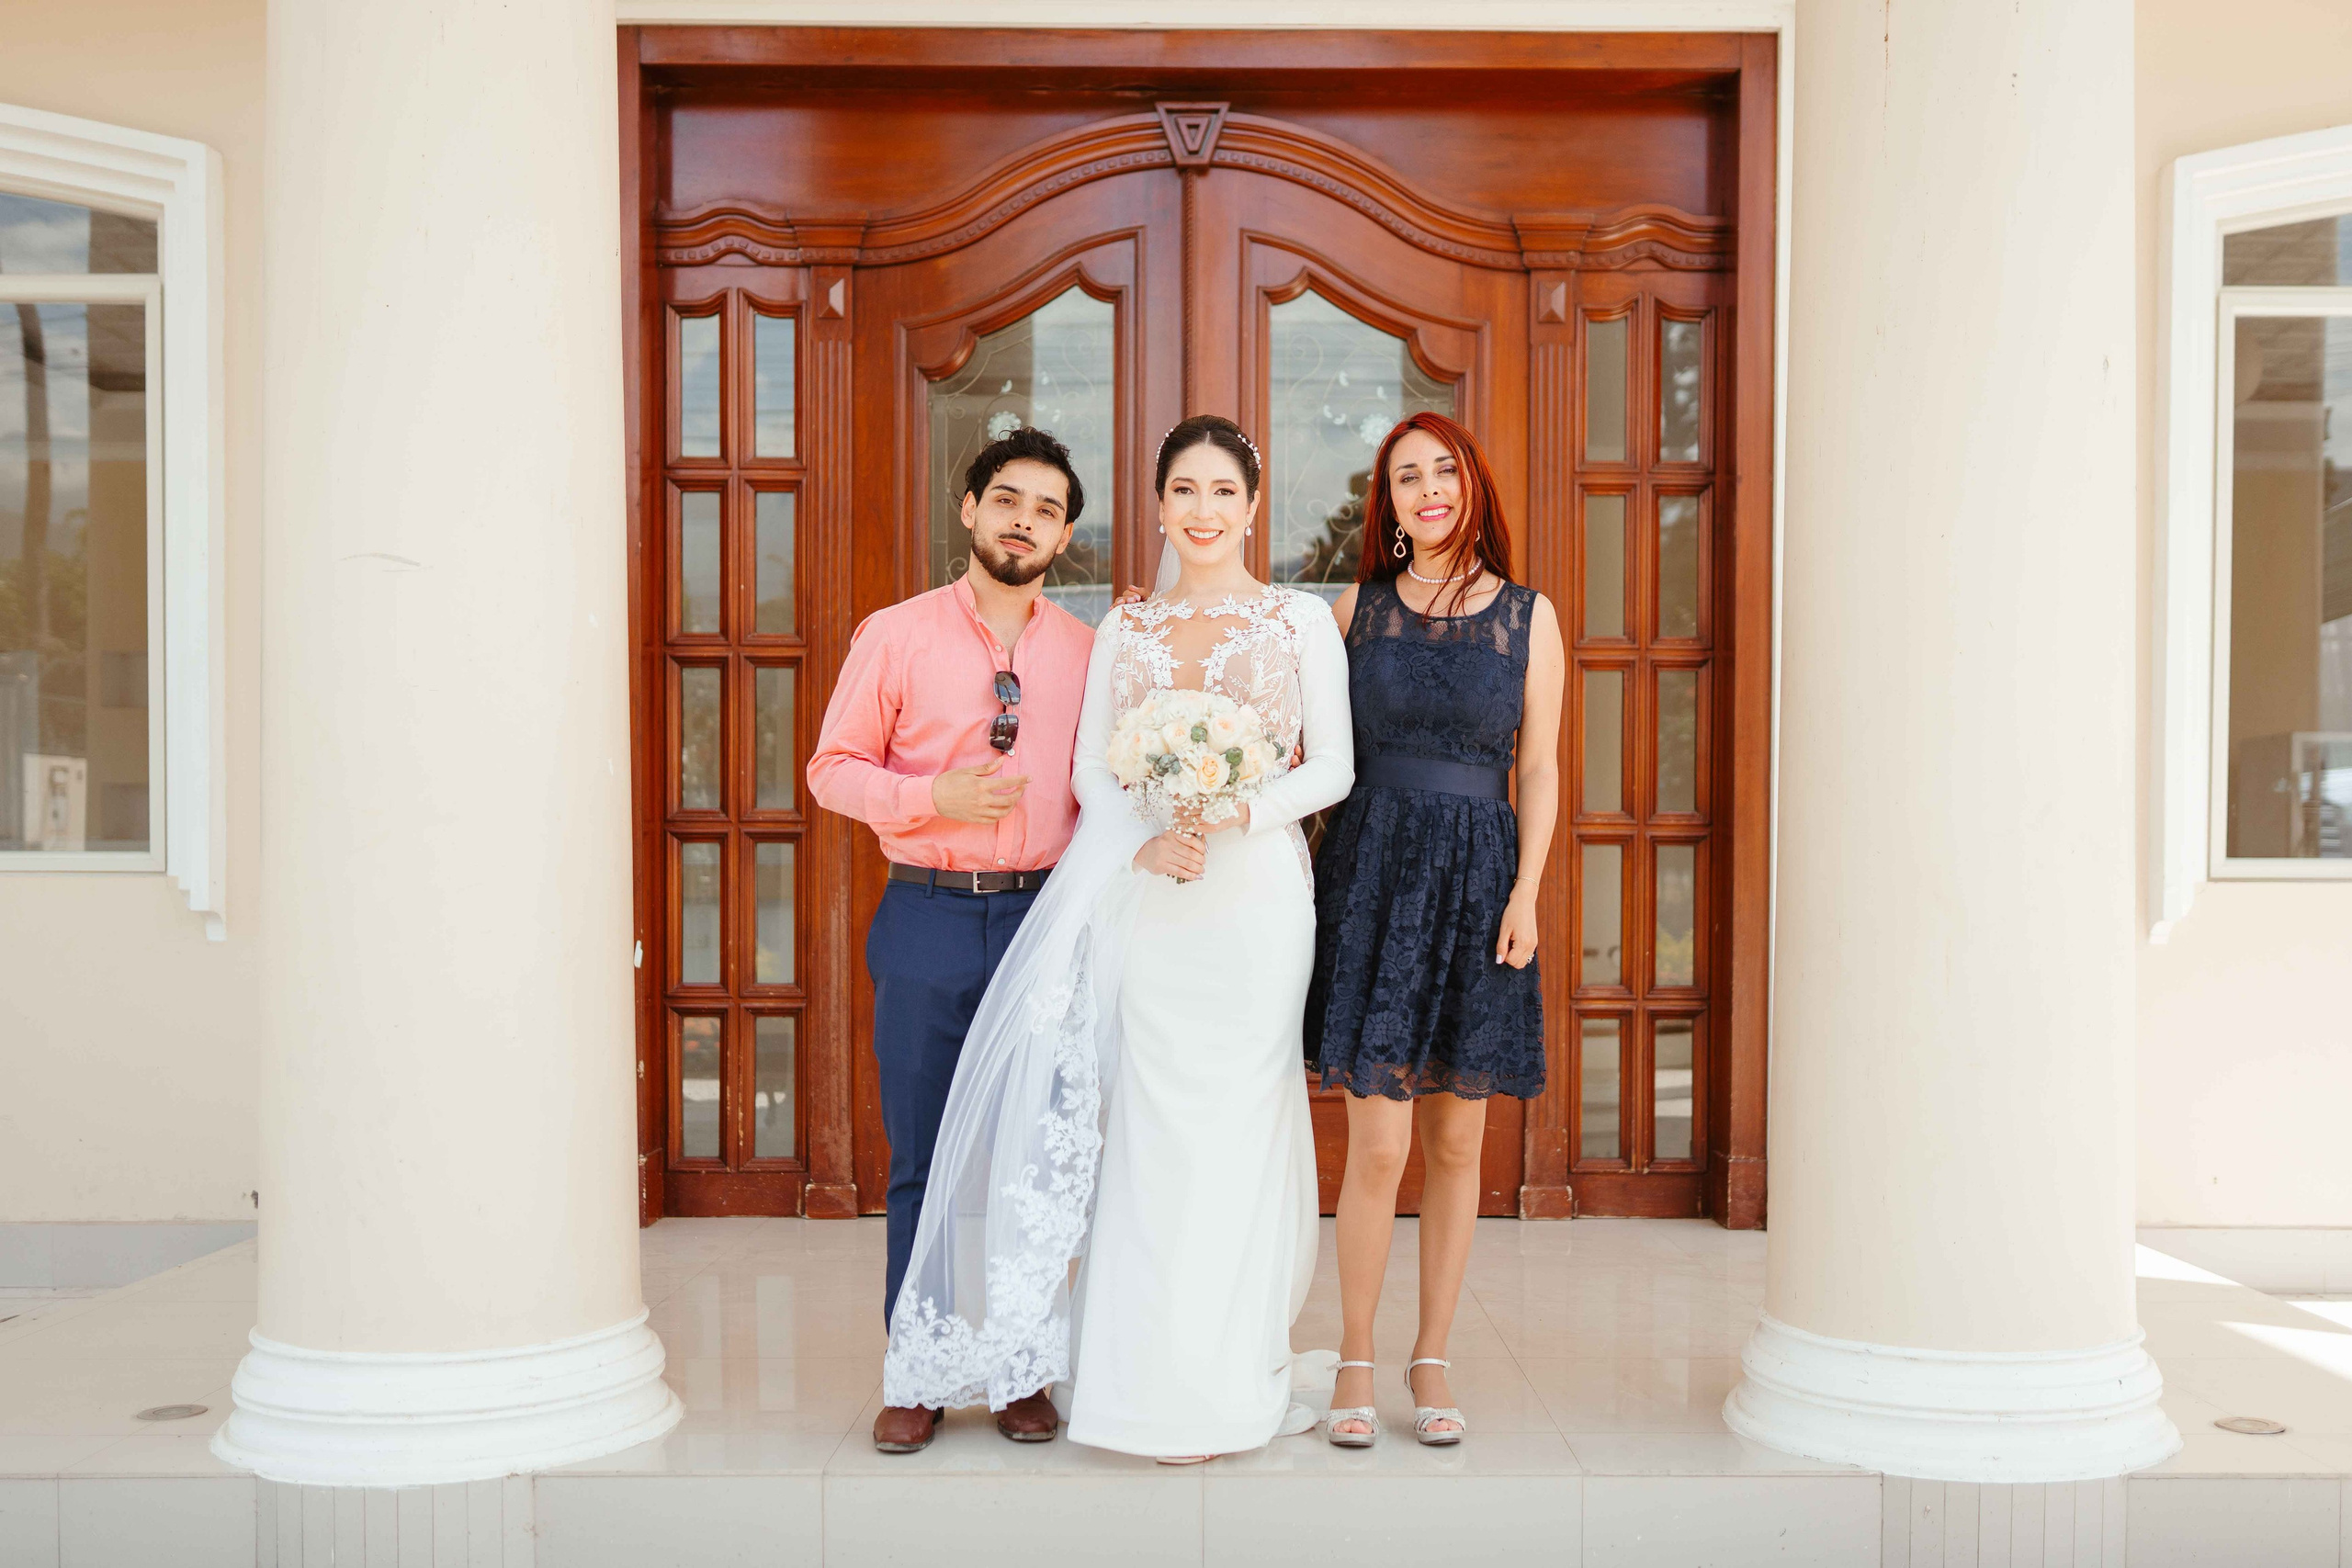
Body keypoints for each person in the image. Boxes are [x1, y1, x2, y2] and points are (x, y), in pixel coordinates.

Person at [878, 414, 1354, 1465]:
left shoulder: (1297, 623)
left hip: (1255, 901)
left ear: (1252, 505)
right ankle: (1135, 1377)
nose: (1202, 512)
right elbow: (1093, 769)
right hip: (1150, 901)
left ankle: (1222, 1372)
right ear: (1157, 506)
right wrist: (1144, 839)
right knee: (1142, 1131)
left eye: (1222, 492)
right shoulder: (1124, 633)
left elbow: (1332, 769)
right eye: (1183, 491)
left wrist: (1229, 810)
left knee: (1234, 1123)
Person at [806, 425, 1093, 1454]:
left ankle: (1020, 1372)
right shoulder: (895, 634)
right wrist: (935, 794)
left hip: (1042, 920)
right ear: (968, 508)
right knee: (921, 1157)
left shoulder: (1086, 651)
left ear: (1065, 537)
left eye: (1048, 509)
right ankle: (918, 1372)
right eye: (1007, 499)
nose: (1024, 520)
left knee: (1030, 1160)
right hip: (926, 910)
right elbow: (831, 768)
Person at [1304, 412, 1565, 1448]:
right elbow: (1282, 730)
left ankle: (1433, 1352)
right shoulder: (1350, 612)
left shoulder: (1527, 616)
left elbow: (1537, 767)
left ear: (1470, 485)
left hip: (1478, 881)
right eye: (1405, 476)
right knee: (1377, 1141)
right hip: (1370, 874)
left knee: (1459, 1139)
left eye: (1442, 470)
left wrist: (1527, 893)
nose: (1427, 490)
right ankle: (1357, 1355)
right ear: (1388, 502)